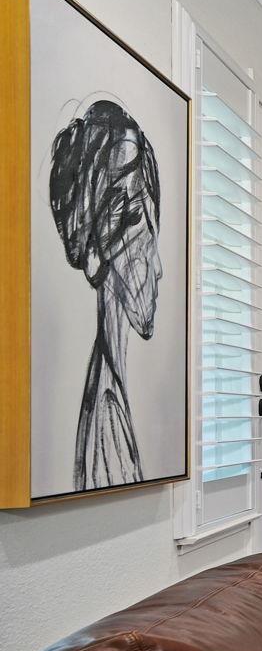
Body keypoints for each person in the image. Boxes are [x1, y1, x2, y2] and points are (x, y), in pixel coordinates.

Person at [48, 99, 162, 490]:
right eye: (133, 217)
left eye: (151, 220)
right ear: (93, 249)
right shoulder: (106, 424)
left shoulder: (114, 401)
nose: (159, 267)